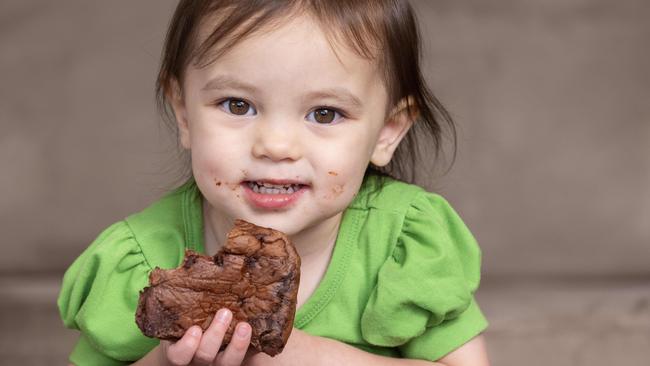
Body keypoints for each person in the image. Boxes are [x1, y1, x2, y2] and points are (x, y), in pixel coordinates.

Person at [58, 1, 490, 365]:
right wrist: (163, 360)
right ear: (184, 114)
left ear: (386, 132)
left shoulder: (402, 244)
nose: (276, 146)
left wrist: (303, 355)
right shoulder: (137, 261)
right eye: (237, 104)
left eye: (324, 113)